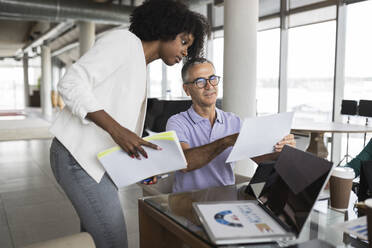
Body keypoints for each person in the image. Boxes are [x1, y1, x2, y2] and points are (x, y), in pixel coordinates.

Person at [49, 0, 210, 247]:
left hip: (97, 163)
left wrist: (140, 169)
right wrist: (118, 131)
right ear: (166, 30)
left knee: (95, 238)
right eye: (184, 41)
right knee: (113, 241)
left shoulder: (139, 63)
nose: (185, 51)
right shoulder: (123, 42)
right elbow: (71, 83)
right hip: (77, 159)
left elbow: (121, 131)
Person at [165, 58, 296, 193]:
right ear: (187, 89)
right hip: (188, 203)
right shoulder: (177, 122)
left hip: (225, 200)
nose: (209, 86)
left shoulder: (234, 121)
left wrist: (282, 150)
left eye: (212, 79)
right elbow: (185, 163)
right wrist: (227, 141)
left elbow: (261, 159)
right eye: (200, 82)